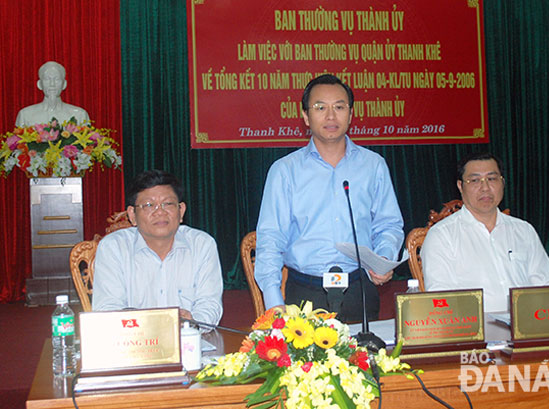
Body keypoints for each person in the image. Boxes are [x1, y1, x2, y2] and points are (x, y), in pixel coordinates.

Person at [254, 74, 404, 323]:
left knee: (368, 361)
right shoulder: (285, 171)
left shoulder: (373, 165)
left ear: (351, 114)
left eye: (339, 107)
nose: (331, 116)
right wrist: (274, 305)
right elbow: (270, 239)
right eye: (320, 107)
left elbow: (389, 224)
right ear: (305, 116)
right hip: (304, 293)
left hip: (359, 289)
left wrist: (383, 257)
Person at [421, 152, 549, 312]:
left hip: (526, 326)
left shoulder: (523, 230)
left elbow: (547, 286)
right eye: (474, 180)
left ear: (503, 182)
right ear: (460, 186)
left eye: (492, 179)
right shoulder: (442, 235)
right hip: (474, 330)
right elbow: (440, 298)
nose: (485, 188)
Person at [93, 170, 224, 326]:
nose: (160, 212)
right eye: (149, 205)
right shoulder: (113, 248)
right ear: (132, 215)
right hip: (135, 343)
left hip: (188, 341)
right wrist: (154, 327)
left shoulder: (202, 244)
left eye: (168, 204)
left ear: (181, 211)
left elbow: (210, 304)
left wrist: (192, 322)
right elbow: (107, 309)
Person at [15, 61, 90, 127]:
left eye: (57, 79)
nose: (52, 84)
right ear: (39, 84)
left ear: (64, 84)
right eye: (47, 79)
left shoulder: (79, 115)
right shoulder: (25, 115)